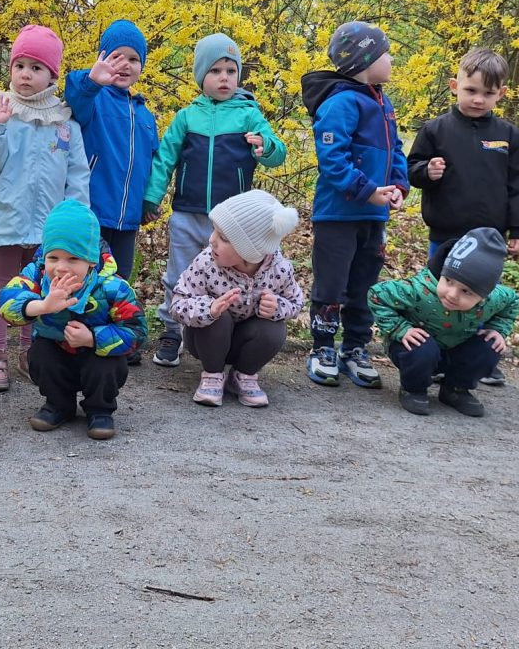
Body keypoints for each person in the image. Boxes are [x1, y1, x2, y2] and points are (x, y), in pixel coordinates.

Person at [143, 32, 286, 368]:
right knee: (178, 275)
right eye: (216, 71)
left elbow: (277, 151)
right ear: (201, 76)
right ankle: (172, 331)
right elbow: (165, 158)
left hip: (233, 222)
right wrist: (152, 197)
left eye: (231, 71)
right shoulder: (187, 117)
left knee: (231, 275)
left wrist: (265, 146)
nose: (224, 78)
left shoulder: (249, 115)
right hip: (187, 213)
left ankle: (226, 331)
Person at [407, 48, 519, 387]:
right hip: (446, 233)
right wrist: (426, 171)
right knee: (441, 296)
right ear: (454, 86)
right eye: (471, 90)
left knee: (480, 298)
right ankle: (433, 355)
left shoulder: (509, 135)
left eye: (488, 94)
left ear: (501, 94)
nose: (478, 99)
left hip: (489, 239)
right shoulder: (436, 130)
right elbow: (410, 169)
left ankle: (477, 359)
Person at [0, 25, 91, 392]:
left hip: (48, 227)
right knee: (0, 288)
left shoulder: (66, 123)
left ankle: (30, 350)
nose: (25, 73)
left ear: (52, 76)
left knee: (39, 288)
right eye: (19, 65)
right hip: (6, 219)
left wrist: (75, 220)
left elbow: (78, 175)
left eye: (36, 67)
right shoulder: (1, 112)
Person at [300, 21, 408, 389]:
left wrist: (398, 187)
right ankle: (323, 347)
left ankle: (355, 347)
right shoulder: (340, 102)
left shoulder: (383, 102)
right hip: (338, 215)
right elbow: (332, 159)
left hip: (373, 215)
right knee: (332, 285)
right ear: (365, 59)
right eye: (385, 52)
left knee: (364, 284)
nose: (391, 59)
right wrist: (366, 190)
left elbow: (396, 150)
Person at [0, 199, 146, 440]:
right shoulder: (36, 273)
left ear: (91, 260)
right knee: (40, 354)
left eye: (73, 259)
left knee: (108, 363)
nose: (61, 268)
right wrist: (43, 305)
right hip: (56, 350)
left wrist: (93, 338)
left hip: (95, 353)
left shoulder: (112, 285)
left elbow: (137, 332)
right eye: (53, 258)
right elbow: (7, 302)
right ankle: (59, 404)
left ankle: (100, 409)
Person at [65, 19, 158, 364]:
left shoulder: (145, 113)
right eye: (116, 57)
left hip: (129, 217)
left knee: (120, 278)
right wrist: (93, 79)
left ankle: (117, 338)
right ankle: (78, 335)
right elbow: (73, 93)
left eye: (133, 59)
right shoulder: (95, 97)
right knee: (87, 276)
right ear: (102, 58)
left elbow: (154, 163)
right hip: (93, 210)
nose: (124, 65)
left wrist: (150, 200)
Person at [170, 190, 304, 408]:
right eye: (214, 231)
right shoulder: (206, 263)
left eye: (223, 238)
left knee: (273, 329)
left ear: (249, 252)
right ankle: (212, 374)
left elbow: (296, 302)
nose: (211, 240)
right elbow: (178, 303)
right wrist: (209, 308)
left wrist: (277, 308)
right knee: (219, 317)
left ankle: (243, 376)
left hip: (246, 341)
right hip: (206, 340)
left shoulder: (278, 269)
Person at [370, 228, 519, 417]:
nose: (452, 294)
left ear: (484, 295)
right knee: (422, 347)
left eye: (466, 292)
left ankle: (456, 389)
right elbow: (377, 294)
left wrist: (498, 330)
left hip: (456, 348)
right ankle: (413, 388)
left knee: (491, 346)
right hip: (415, 348)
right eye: (448, 281)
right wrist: (400, 329)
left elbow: (513, 301)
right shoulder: (418, 290)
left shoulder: (495, 298)